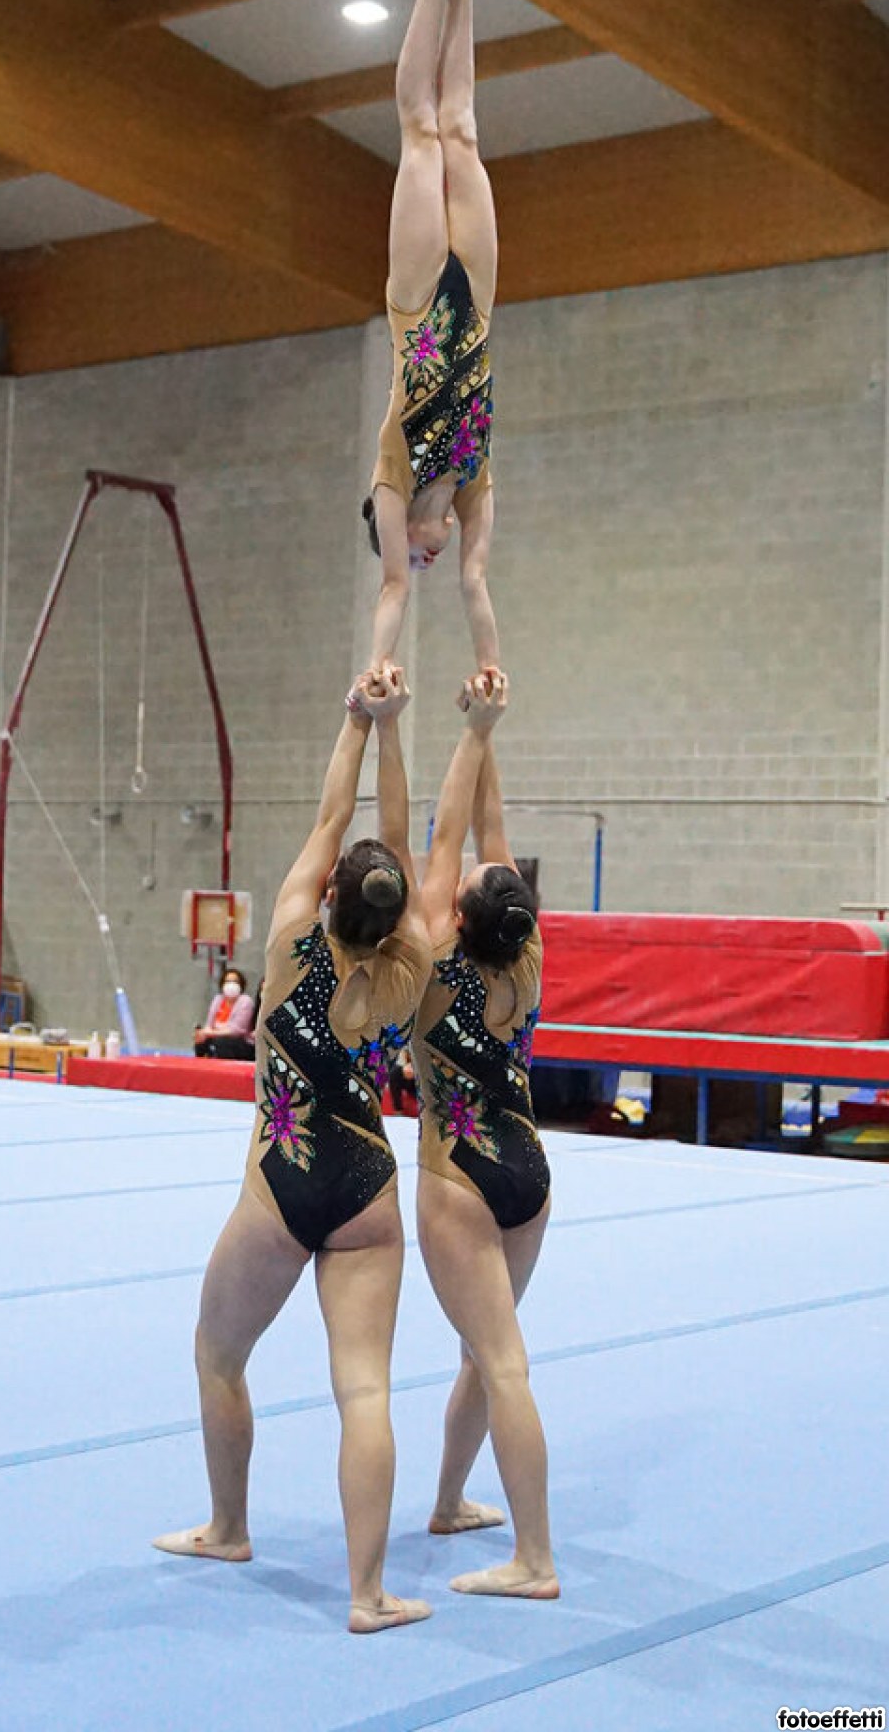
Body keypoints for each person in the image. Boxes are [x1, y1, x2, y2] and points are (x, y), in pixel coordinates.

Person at [154, 668, 434, 1634]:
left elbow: (333, 825)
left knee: (217, 1354)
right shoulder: (410, 972)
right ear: (395, 918)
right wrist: (401, 733)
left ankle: (229, 1526)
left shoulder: (286, 945)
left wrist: (358, 717)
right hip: (366, 1191)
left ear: (328, 900)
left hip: (278, 1190)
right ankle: (366, 1594)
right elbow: (395, 848)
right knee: (365, 1387)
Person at [411, 675, 557, 1600]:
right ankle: (453, 1501)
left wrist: (469, 736)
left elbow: (447, 837)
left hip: (459, 1176)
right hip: (528, 1173)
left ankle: (536, 1559)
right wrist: (489, 728)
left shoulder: (429, 958)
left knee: (500, 1360)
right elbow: (492, 845)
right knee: (484, 1352)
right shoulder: (529, 958)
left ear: (460, 916)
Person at [363, 0, 501, 695]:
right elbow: (476, 586)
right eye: (426, 552)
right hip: (476, 298)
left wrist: (377, 665)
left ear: (400, 529)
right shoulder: (475, 476)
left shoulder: (394, 471)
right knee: (463, 129)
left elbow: (393, 590)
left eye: (417, 549)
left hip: (417, 301)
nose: (430, 552)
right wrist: (488, 670)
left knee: (419, 129)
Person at [193, 967, 257, 1061]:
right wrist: (202, 1033)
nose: (231, 985)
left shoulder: (245, 1001)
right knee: (201, 1040)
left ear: (241, 984)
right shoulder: (218, 999)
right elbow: (209, 1024)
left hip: (241, 1043)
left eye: (235, 981)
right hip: (218, 1037)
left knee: (221, 1042)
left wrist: (212, 1033)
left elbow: (237, 1031)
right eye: (227, 981)